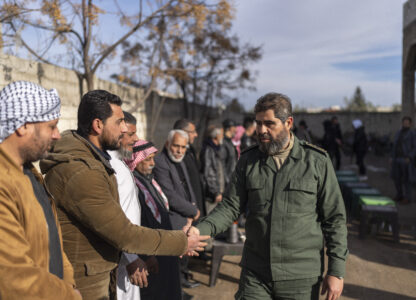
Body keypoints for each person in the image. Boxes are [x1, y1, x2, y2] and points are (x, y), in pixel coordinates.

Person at [40, 90, 208, 300]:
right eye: (119, 122)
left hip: (98, 274)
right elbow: (123, 233)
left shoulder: (95, 160)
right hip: (84, 284)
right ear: (98, 125)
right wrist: (182, 242)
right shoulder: (82, 171)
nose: (124, 129)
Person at [189, 93, 348, 300]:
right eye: (258, 123)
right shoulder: (248, 160)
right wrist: (199, 230)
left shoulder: (316, 162)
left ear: (288, 123)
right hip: (256, 273)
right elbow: (230, 207)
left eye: (269, 123)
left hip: (300, 277)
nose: (261, 130)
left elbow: (334, 219)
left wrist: (336, 270)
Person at [0, 81, 82, 299]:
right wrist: (70, 295)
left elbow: (52, 239)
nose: (57, 135)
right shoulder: (3, 184)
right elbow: (14, 277)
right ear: (22, 126)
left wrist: (69, 283)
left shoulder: (30, 174)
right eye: (51, 126)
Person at [125, 140, 182, 300]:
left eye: (153, 159)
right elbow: (138, 222)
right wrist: (146, 255)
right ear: (136, 160)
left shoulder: (149, 180)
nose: (152, 163)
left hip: (164, 248)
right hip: (152, 251)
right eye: (147, 159)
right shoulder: (134, 185)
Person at [153, 129, 201, 290]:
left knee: (182, 257)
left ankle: (181, 282)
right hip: (173, 217)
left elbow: (188, 187)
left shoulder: (181, 160)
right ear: (167, 144)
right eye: (176, 146)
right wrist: (191, 211)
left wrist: (192, 209)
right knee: (173, 260)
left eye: (183, 147)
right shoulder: (160, 162)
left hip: (186, 216)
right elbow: (169, 195)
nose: (179, 151)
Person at [108, 111, 149, 300]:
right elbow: (115, 218)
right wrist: (131, 258)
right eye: (131, 134)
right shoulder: (112, 167)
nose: (136, 139)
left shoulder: (120, 163)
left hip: (130, 255)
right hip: (122, 259)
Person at [173, 119, 207, 217]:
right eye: (193, 132)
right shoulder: (175, 155)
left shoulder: (190, 150)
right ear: (183, 132)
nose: (196, 135)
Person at [200, 124, 226, 214]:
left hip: (218, 192)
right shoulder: (208, 150)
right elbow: (209, 173)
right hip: (212, 195)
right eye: (222, 134)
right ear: (216, 136)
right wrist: (215, 192)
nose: (223, 136)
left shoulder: (216, 149)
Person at [390, 116, 416, 204]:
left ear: (410, 124)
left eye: (407, 122)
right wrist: (392, 157)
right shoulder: (398, 132)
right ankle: (399, 195)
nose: (405, 124)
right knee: (396, 178)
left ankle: (407, 197)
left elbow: (414, 147)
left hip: (406, 159)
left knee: (407, 180)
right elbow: (394, 146)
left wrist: (410, 157)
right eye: (404, 122)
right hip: (396, 159)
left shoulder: (412, 134)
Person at [222, 119, 238, 186]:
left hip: (231, 180)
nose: (236, 130)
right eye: (234, 127)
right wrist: (227, 181)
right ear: (229, 128)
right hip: (226, 183)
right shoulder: (223, 143)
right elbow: (222, 165)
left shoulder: (229, 142)